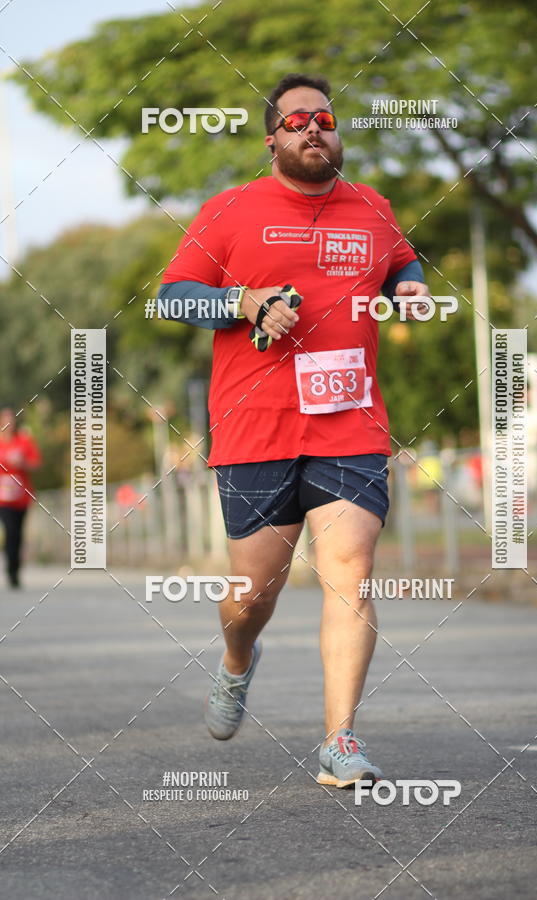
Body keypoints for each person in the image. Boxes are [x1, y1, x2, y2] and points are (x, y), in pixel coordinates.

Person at [158, 73, 429, 788]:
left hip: (351, 425)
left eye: (326, 118)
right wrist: (242, 303)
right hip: (254, 427)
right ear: (271, 137)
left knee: (351, 572)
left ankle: (340, 741)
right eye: (297, 119)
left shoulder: (372, 207)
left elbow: (401, 258)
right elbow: (171, 295)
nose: (315, 128)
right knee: (253, 596)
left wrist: (409, 284)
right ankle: (237, 660)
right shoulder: (230, 210)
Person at [0, 406, 42, 589]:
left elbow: (36, 464)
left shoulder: (24, 441)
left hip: (21, 497)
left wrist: (23, 463)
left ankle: (15, 569)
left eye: (12, 419)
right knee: (9, 531)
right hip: (2, 498)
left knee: (17, 534)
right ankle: (10, 570)